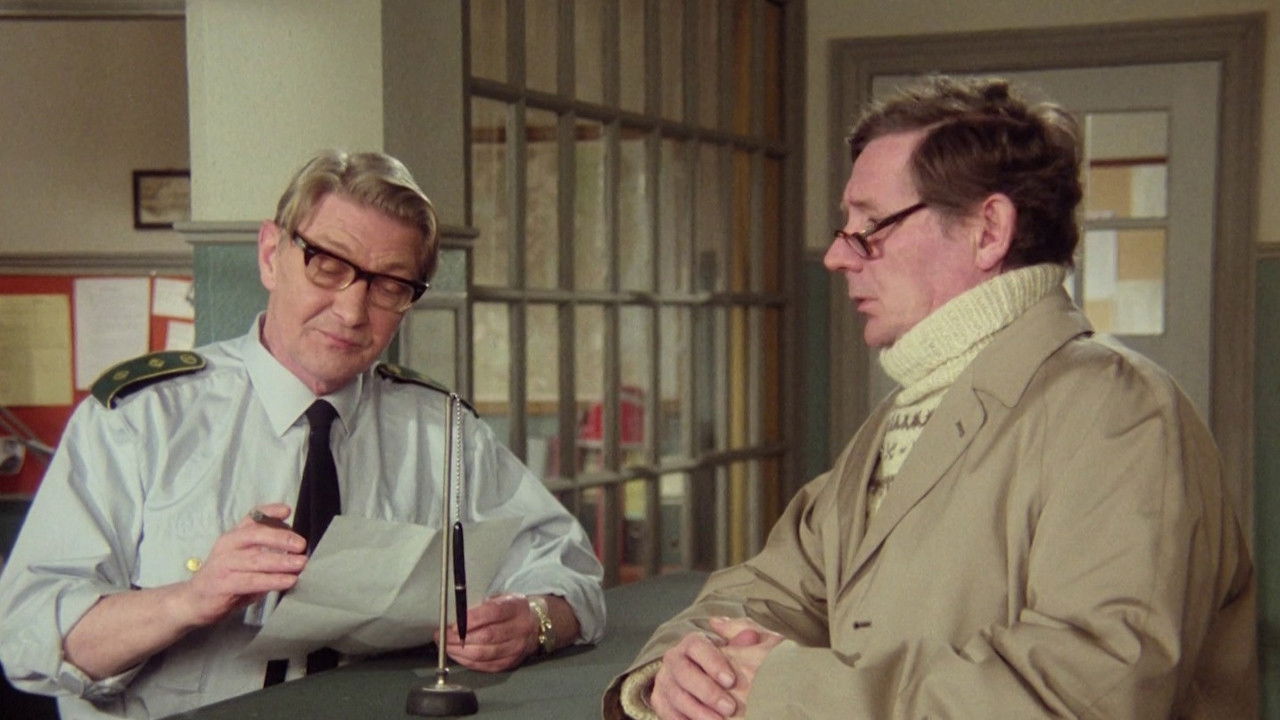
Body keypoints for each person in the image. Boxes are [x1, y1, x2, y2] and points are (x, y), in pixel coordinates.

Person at [605, 76, 1255, 719]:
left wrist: (789, 688)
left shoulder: (1122, 412)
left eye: (870, 224)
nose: (836, 256)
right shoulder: (903, 414)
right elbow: (770, 588)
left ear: (988, 230)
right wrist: (681, 668)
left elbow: (1088, 696)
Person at [0, 150, 605, 719]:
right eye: (328, 266)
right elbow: (26, 636)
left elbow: (571, 572)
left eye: (389, 286)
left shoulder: (442, 431)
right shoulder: (141, 419)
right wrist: (188, 599)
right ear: (271, 255)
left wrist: (534, 621)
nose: (352, 311)